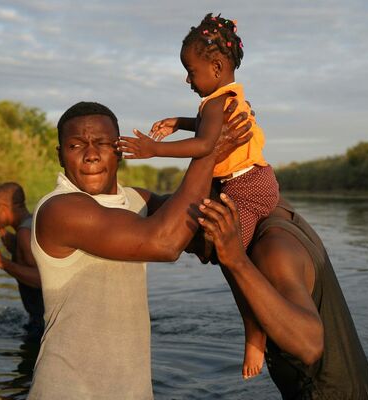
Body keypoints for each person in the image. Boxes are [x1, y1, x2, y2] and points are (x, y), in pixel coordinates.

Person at [28, 100, 252, 399]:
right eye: (76, 146)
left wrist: (229, 148)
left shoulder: (138, 201)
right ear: (60, 156)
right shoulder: (59, 210)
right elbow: (165, 243)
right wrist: (207, 149)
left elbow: (197, 229)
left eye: (103, 144)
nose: (91, 155)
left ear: (119, 149)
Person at [116, 12, 278, 379]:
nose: (187, 79)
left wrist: (155, 150)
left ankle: (256, 333)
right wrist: (179, 121)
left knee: (233, 260)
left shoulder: (218, 103)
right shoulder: (222, 98)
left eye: (191, 71)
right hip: (248, 182)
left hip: (247, 189)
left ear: (217, 66)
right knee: (224, 251)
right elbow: (206, 125)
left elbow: (207, 143)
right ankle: (255, 327)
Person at [197, 194, 368, 399]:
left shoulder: (273, 250)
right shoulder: (275, 208)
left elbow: (309, 346)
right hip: (357, 388)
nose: (200, 258)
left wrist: (236, 261)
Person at [0, 182, 44, 340]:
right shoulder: (29, 224)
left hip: (44, 324)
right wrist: (0, 229)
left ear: (3, 208)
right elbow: (23, 255)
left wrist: (2, 263)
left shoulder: (25, 234)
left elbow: (42, 279)